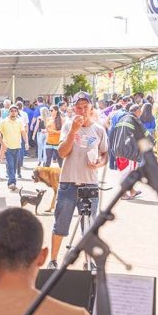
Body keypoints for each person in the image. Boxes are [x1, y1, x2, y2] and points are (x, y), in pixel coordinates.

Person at [48, 92, 108, 269]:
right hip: (68, 183)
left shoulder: (99, 130)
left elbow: (105, 154)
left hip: (90, 184)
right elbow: (62, 152)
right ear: (74, 109)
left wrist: (98, 164)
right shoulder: (68, 126)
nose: (82, 111)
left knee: (89, 227)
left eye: (86, 107)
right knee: (60, 224)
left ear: (91, 108)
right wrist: (74, 130)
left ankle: (88, 262)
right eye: (79, 107)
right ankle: (53, 260)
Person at [0, 105, 28, 190]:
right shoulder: (4, 122)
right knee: (11, 165)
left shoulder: (19, 122)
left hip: (17, 147)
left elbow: (23, 133)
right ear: (9, 111)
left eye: (15, 111)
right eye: (12, 110)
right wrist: (3, 144)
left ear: (17, 112)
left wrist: (26, 143)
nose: (13, 112)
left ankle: (11, 180)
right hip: (8, 147)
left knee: (14, 166)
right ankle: (12, 182)